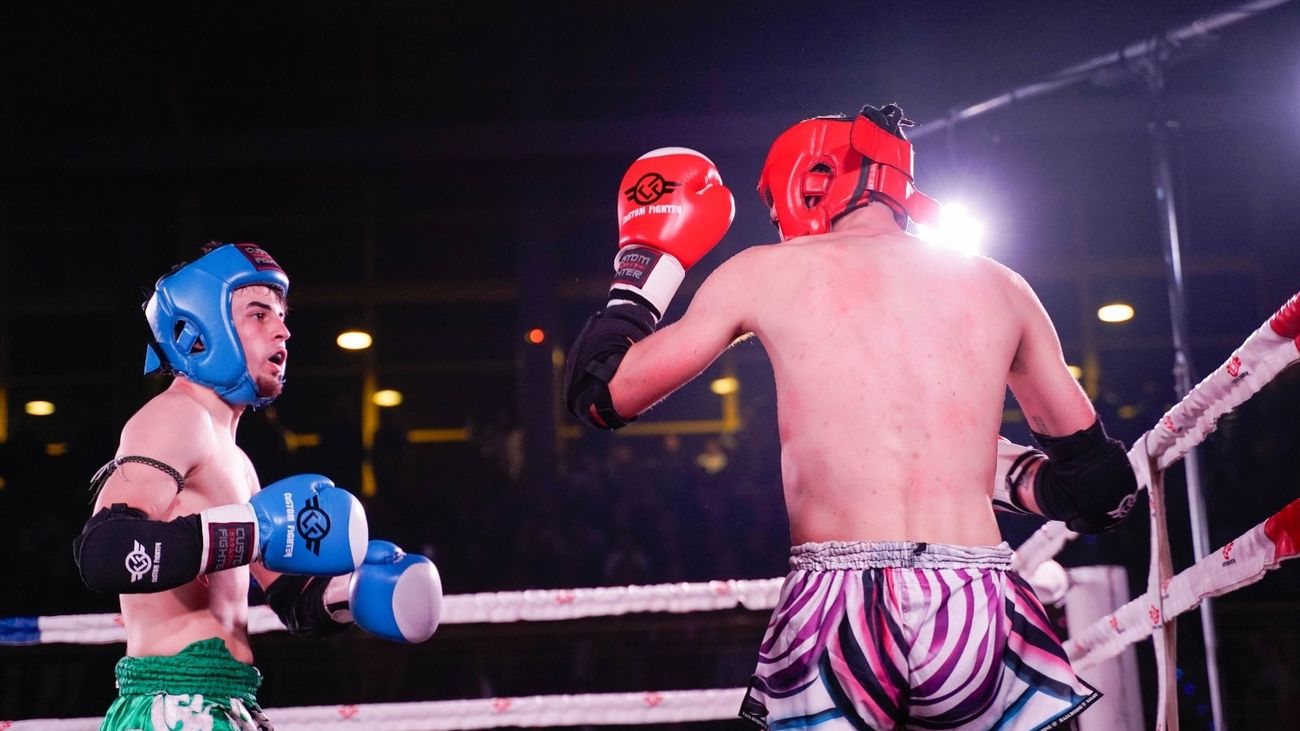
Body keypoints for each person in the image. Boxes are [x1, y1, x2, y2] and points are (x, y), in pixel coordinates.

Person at [564, 106, 1140, 730]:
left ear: (808, 179)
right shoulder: (1001, 285)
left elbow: (604, 394)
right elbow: (1099, 490)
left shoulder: (763, 271)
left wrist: (647, 265)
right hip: (975, 597)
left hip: (838, 601)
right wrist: (991, 469)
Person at [73, 242, 443, 731]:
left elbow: (290, 597)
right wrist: (252, 530)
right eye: (258, 313)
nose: (283, 329)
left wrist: (355, 591)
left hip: (227, 701)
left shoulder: (237, 461)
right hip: (176, 704)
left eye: (282, 315)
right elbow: (106, 551)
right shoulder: (175, 417)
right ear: (200, 330)